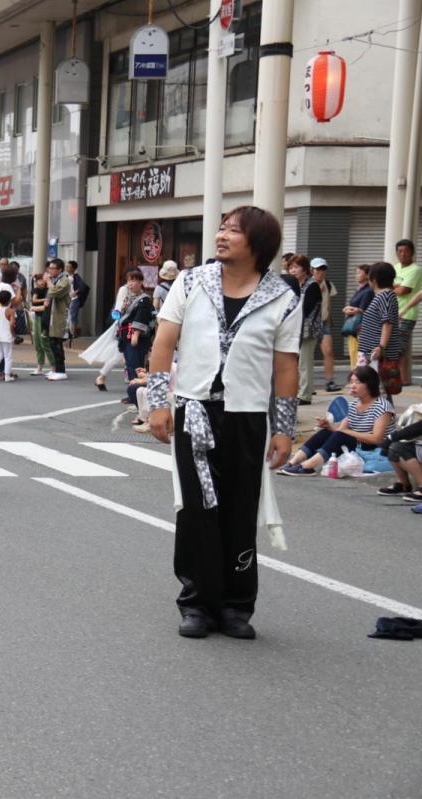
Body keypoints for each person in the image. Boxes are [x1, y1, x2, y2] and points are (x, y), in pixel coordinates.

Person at [148, 205, 302, 640]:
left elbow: (286, 367)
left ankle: (236, 606)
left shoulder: (282, 297)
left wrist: (285, 428)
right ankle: (196, 603)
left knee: (238, 509)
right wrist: (159, 404)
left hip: (247, 417)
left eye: (233, 231)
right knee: (198, 511)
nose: (221, 235)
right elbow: (163, 344)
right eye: (222, 228)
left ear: (258, 244)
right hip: (195, 410)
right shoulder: (191, 282)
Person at [279, 367, 395, 475]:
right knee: (326, 432)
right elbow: (341, 430)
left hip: (375, 450)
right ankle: (292, 462)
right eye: (351, 381)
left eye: (357, 382)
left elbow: (377, 439)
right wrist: (329, 427)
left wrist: (343, 432)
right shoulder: (354, 405)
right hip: (358, 446)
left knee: (341, 435)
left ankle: (308, 466)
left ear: (370, 385)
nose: (352, 386)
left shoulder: (382, 406)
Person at [287, 254, 322, 404]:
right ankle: (301, 391)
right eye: (291, 267)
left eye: (296, 267)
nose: (293, 270)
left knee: (304, 363)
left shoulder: (312, 285)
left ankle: (305, 395)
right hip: (295, 329)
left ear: (305, 269)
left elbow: (306, 309)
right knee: (297, 363)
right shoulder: (295, 285)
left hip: (308, 330)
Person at [357, 262, 404, 373]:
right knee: (368, 386)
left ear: (374, 280)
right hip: (371, 352)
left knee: (371, 386)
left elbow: (387, 323)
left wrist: (381, 347)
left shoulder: (385, 296)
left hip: (376, 354)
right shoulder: (383, 296)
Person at [116, 268, 154, 380]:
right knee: (130, 365)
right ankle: (133, 394)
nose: (130, 284)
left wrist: (136, 335)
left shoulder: (144, 300)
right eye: (128, 281)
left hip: (136, 337)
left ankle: (135, 393)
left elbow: (140, 318)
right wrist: (122, 309)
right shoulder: (130, 298)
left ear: (141, 282)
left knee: (135, 365)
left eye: (133, 281)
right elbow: (123, 316)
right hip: (126, 335)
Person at [309, 258, 340, 392]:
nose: (320, 272)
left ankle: (330, 381)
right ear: (311, 270)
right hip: (309, 323)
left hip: (324, 322)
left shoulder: (328, 285)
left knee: (328, 351)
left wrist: (328, 317)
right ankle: (307, 385)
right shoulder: (307, 284)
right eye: (318, 269)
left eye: (323, 269)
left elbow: (329, 302)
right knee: (307, 354)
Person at [393, 239, 421, 386]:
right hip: (393, 312)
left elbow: (405, 290)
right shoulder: (395, 267)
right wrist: (396, 287)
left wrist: (396, 286)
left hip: (407, 314)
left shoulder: (415, 269)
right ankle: (403, 379)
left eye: (406, 251)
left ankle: (400, 379)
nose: (402, 254)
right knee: (398, 347)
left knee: (398, 348)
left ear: (412, 253)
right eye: (399, 251)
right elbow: (388, 285)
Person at [43, 258, 71, 381]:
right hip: (51, 315)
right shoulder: (56, 279)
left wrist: (48, 281)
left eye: (53, 268)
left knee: (57, 342)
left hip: (59, 316)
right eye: (49, 268)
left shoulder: (65, 280)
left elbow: (54, 292)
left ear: (60, 269)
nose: (50, 270)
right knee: (52, 342)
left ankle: (61, 370)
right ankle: (56, 369)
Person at [342, 263, 373, 366]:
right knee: (353, 353)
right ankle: (355, 377)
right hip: (354, 326)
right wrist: (348, 308)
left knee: (357, 354)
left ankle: (357, 377)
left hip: (360, 327)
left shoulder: (368, 291)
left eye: (359, 273)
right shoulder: (360, 290)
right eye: (356, 273)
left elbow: (363, 309)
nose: (356, 275)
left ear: (367, 275)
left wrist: (350, 309)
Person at [30, 267, 52, 376]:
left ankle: (54, 367)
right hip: (37, 317)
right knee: (38, 342)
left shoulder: (49, 289)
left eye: (42, 279)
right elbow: (34, 301)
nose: (41, 281)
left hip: (46, 317)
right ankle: (40, 367)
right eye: (39, 280)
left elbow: (47, 303)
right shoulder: (36, 289)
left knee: (45, 343)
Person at [66, 260, 90, 339]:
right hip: (67, 299)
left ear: (73, 268)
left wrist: (75, 292)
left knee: (73, 315)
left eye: (69, 267)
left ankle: (72, 332)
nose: (67, 268)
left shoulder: (76, 277)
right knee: (68, 315)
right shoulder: (65, 276)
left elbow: (83, 286)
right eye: (67, 266)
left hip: (74, 299)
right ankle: (68, 332)